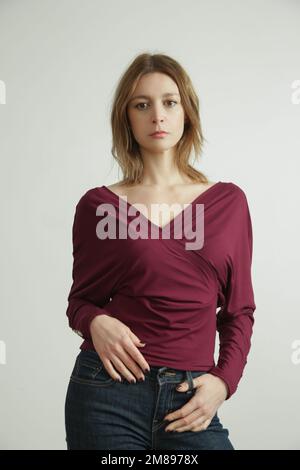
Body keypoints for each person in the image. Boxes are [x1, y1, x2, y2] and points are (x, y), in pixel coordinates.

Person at [64, 52, 256, 450]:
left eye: (169, 102)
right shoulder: (98, 206)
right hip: (106, 393)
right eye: (142, 104)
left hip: (190, 398)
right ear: (127, 118)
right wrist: (95, 323)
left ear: (187, 112)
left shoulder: (228, 203)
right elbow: (80, 303)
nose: (157, 116)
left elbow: (239, 311)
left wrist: (224, 381)